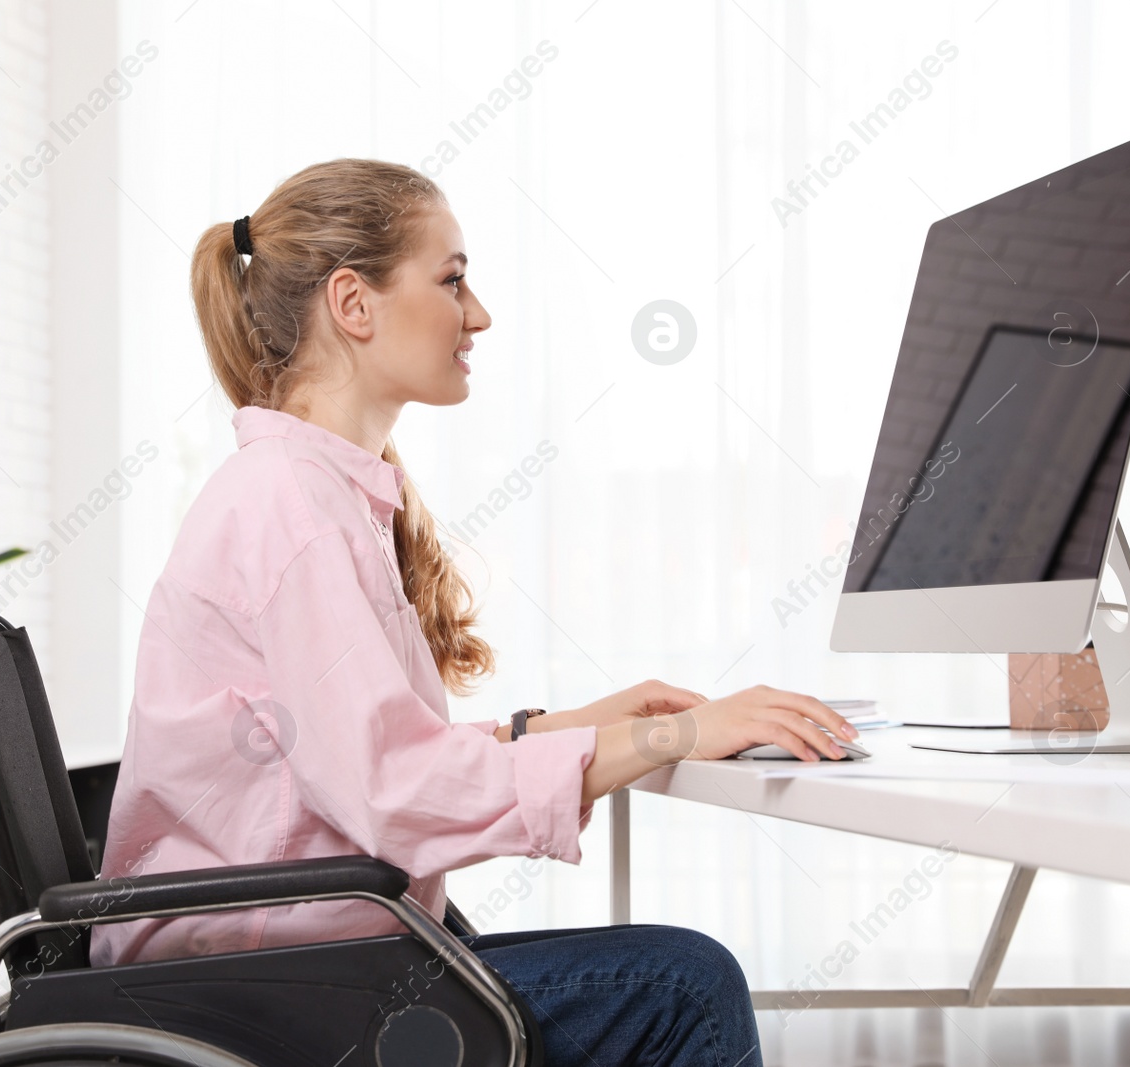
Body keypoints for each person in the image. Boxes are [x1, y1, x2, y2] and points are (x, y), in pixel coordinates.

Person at [92, 157, 858, 1066]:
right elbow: (393, 793)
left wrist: (572, 725)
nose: (479, 313)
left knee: (662, 975)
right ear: (353, 303)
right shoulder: (289, 504)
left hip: (299, 951)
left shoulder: (312, 491)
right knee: (688, 985)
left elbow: (368, 759)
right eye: (452, 279)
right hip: (260, 981)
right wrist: (677, 735)